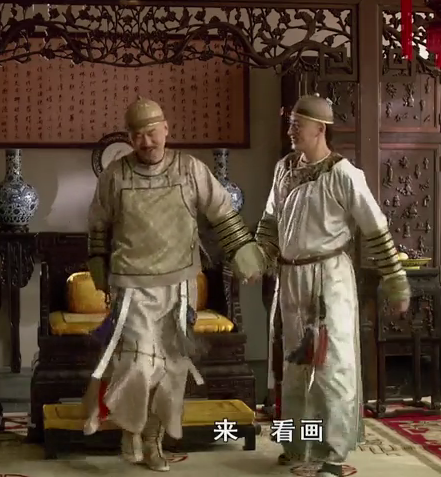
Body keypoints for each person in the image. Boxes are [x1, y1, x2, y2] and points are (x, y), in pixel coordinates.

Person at [82, 97, 265, 472]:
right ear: (129, 138)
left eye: (152, 132)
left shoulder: (191, 169)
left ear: (166, 129)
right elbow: (98, 223)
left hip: (179, 287)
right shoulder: (115, 175)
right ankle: (130, 428)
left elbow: (222, 212)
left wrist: (243, 253)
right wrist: (97, 263)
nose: (146, 141)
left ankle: (153, 439)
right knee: (137, 364)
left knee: (170, 369)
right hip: (131, 287)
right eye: (137, 135)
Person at [255, 95, 411, 477]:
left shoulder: (344, 174)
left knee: (331, 367)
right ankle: (297, 446)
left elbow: (375, 228)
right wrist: (257, 258)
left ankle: (334, 453)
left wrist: (395, 280)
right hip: (290, 279)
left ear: (320, 129)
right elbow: (270, 223)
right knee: (293, 366)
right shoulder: (283, 169)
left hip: (329, 279)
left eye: (298, 124)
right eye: (290, 123)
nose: (291, 130)